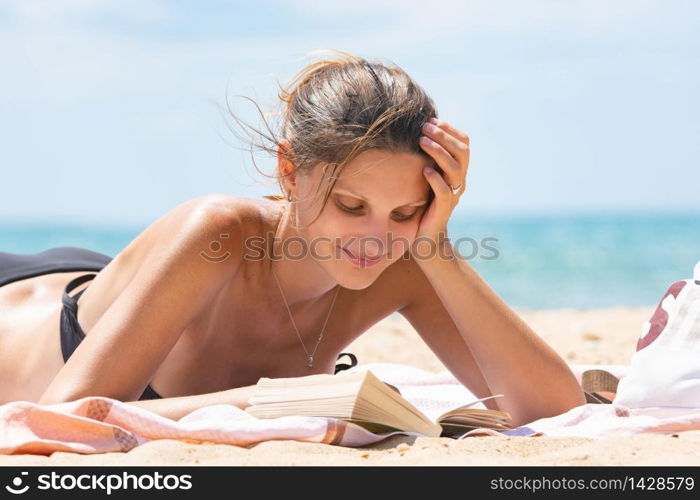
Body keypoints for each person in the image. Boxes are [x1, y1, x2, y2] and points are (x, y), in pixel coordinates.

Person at [0, 49, 585, 427]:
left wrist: (436, 247)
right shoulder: (219, 232)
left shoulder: (405, 259)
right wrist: (255, 401)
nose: (375, 239)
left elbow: (555, 411)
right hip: (21, 304)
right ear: (290, 172)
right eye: (350, 205)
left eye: (406, 210)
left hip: (129, 284)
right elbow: (55, 420)